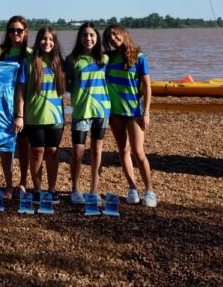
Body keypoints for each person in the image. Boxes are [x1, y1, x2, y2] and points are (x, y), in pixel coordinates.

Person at [103, 24, 157, 208]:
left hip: (133, 112)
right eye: (109, 36)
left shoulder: (139, 57)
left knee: (138, 151)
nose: (112, 38)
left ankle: (149, 190)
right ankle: (132, 188)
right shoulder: (108, 58)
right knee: (123, 150)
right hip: (115, 113)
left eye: (115, 34)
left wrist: (146, 111)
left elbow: (147, 86)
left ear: (124, 35)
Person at [12, 26, 65, 202]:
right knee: (37, 152)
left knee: (52, 152)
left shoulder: (60, 63)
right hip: (34, 117)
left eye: (51, 39)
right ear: (38, 41)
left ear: (55, 42)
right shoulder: (28, 62)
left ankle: (51, 190)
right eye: (44, 38)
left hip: (56, 117)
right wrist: (19, 115)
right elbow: (20, 90)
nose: (47, 42)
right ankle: (37, 190)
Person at [65, 22, 109, 205]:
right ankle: (75, 189)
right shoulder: (72, 59)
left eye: (92, 35)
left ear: (97, 37)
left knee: (97, 151)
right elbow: (66, 84)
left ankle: (94, 190)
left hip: (102, 110)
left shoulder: (105, 59)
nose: (88, 38)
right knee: (78, 152)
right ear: (80, 38)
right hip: (81, 110)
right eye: (85, 35)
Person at [0, 15, 31, 199]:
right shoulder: (0, 52)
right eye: (12, 30)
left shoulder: (31, 54)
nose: (15, 33)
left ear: (25, 32)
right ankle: (8, 184)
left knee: (24, 146)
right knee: (5, 146)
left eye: (19, 30)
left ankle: (23, 183)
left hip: (26, 107)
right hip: (3, 107)